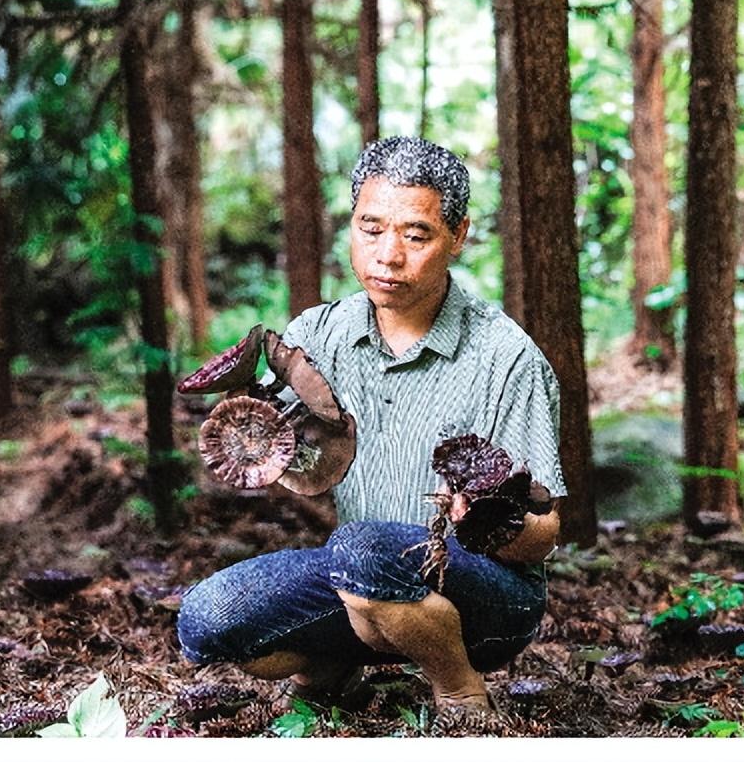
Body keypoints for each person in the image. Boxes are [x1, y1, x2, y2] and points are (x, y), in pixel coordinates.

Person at [177, 136, 566, 715]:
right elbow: (287, 447)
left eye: (416, 234)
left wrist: (490, 520)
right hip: (359, 573)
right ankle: (337, 668)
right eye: (371, 227)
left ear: (457, 237)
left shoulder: (506, 358)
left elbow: (547, 532)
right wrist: (248, 424)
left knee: (361, 547)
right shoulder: (320, 336)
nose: (388, 255)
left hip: (487, 595)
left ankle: (459, 690)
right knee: (210, 620)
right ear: (351, 226)